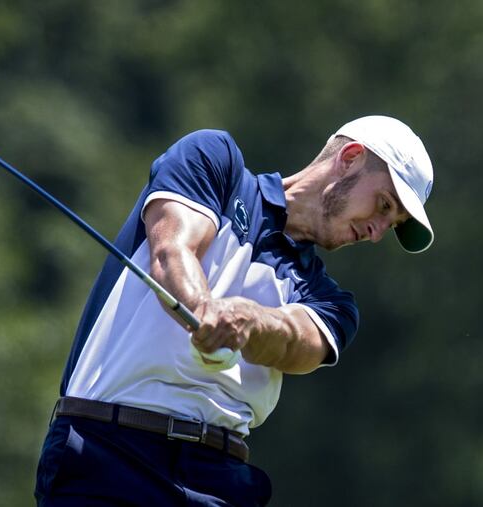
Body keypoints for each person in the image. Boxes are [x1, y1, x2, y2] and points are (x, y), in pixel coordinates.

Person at [34, 115, 435, 506]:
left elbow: (296, 343)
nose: (378, 231)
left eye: (392, 224)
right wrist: (201, 308)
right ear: (349, 157)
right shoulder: (215, 163)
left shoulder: (331, 301)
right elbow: (173, 250)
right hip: (105, 454)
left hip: (218, 480)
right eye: (384, 205)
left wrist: (248, 321)